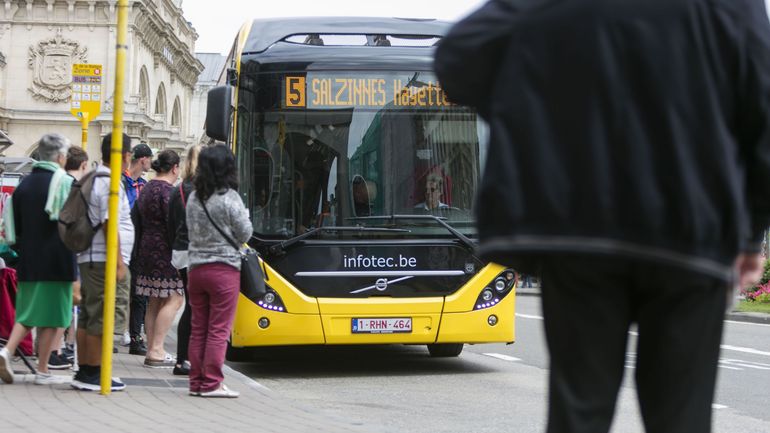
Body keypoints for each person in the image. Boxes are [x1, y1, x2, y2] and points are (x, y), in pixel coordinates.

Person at [435, 1, 770, 433]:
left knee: (579, 414)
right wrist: (747, 233)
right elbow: (762, 113)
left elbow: (459, 54)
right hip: (690, 229)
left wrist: (534, 116)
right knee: (682, 418)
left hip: (576, 230)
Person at [0, 133, 75, 385]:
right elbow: (70, 224)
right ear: (61, 156)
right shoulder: (63, 181)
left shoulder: (24, 185)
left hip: (28, 260)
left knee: (30, 312)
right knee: (54, 316)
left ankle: (39, 367)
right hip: (58, 260)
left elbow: (11, 228)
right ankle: (22, 359)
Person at [186, 145, 252, 398]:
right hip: (223, 270)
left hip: (196, 270)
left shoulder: (194, 197)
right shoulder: (229, 197)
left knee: (199, 328)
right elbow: (245, 232)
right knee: (218, 329)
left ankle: (197, 382)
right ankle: (212, 383)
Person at [71, 132, 134, 391]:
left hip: (91, 258)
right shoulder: (110, 183)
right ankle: (96, 373)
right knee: (102, 317)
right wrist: (118, 262)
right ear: (126, 155)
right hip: (103, 261)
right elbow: (110, 224)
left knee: (89, 316)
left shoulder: (96, 178)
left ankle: (87, 370)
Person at [134, 149, 183, 368]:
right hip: (165, 250)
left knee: (154, 299)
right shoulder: (170, 192)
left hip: (146, 247)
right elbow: (174, 223)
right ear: (174, 168)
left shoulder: (146, 188)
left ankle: (151, 347)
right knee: (174, 298)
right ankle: (157, 349)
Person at [167, 144, 202, 375]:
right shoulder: (202, 190)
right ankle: (185, 360)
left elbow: (170, 224)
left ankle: (182, 359)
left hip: (180, 252)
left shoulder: (177, 189)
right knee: (194, 306)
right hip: (196, 252)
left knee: (190, 305)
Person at [124, 142, 151, 356]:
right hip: (122, 242)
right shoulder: (122, 182)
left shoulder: (144, 184)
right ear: (143, 159)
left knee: (138, 292)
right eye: (150, 159)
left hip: (139, 244)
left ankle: (133, 333)